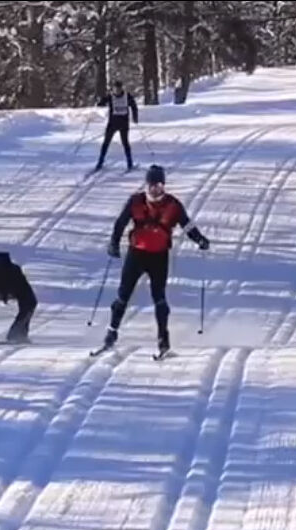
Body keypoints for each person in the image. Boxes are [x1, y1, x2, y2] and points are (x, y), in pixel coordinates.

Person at [102, 164, 210, 356]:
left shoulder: (173, 205)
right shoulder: (135, 201)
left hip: (159, 256)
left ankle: (163, 339)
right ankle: (111, 333)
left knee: (159, 298)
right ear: (146, 185)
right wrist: (113, 243)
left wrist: (200, 239)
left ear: (164, 185)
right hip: (136, 254)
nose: (155, 189)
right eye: (152, 185)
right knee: (123, 294)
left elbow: (187, 225)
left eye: (159, 185)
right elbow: (120, 223)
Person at [95, 80, 139, 172]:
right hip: (112, 123)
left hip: (123, 123)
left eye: (119, 89)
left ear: (121, 88)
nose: (117, 91)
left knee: (125, 143)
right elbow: (102, 102)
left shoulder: (127, 96)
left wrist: (135, 117)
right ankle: (100, 163)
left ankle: (129, 163)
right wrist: (99, 102)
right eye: (115, 89)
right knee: (106, 143)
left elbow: (134, 106)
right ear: (113, 89)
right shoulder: (110, 97)